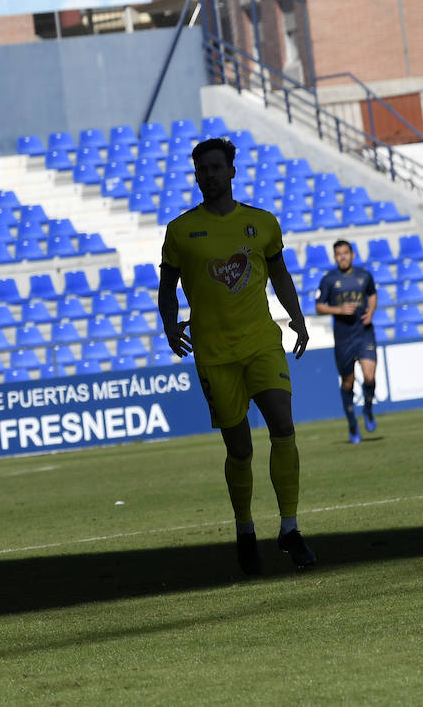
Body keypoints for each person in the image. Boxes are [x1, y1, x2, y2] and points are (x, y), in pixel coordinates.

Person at [157, 136, 316, 575]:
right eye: (201, 169)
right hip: (214, 354)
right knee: (240, 448)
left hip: (262, 342)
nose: (208, 175)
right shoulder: (181, 230)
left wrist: (298, 318)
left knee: (283, 426)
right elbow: (167, 288)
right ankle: (245, 529)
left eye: (215, 167)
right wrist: (170, 324)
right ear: (196, 175)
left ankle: (290, 528)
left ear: (231, 171)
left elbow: (280, 273)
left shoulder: (262, 223)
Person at [315, 240, 378, 443]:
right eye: (338, 254)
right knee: (348, 382)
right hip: (343, 338)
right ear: (335, 257)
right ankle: (352, 423)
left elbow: (372, 294)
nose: (342, 257)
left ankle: (367, 409)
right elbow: (319, 306)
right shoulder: (329, 280)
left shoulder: (364, 275)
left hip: (364, 332)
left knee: (369, 375)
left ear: (352, 254)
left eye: (345, 253)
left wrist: (371, 311)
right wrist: (339, 310)